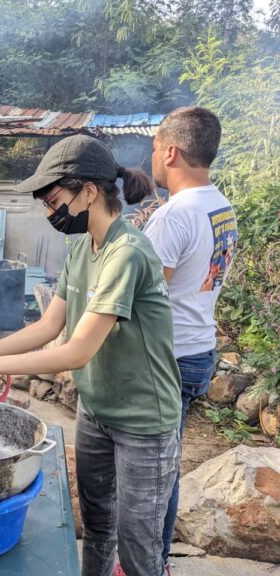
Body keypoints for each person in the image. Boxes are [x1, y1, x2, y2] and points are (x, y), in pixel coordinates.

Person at [0, 135, 181, 576]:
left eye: (54, 200)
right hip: (96, 410)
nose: (49, 213)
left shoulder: (125, 253)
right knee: (96, 527)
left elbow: (76, 351)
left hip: (144, 423)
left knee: (137, 550)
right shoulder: (81, 248)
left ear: (88, 192)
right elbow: (48, 327)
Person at [144, 106, 238, 569]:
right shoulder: (221, 205)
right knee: (166, 466)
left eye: (155, 148)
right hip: (200, 350)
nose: (152, 158)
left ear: (171, 150)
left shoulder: (173, 216)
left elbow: (145, 298)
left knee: (152, 476)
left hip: (168, 357)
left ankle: (151, 561)